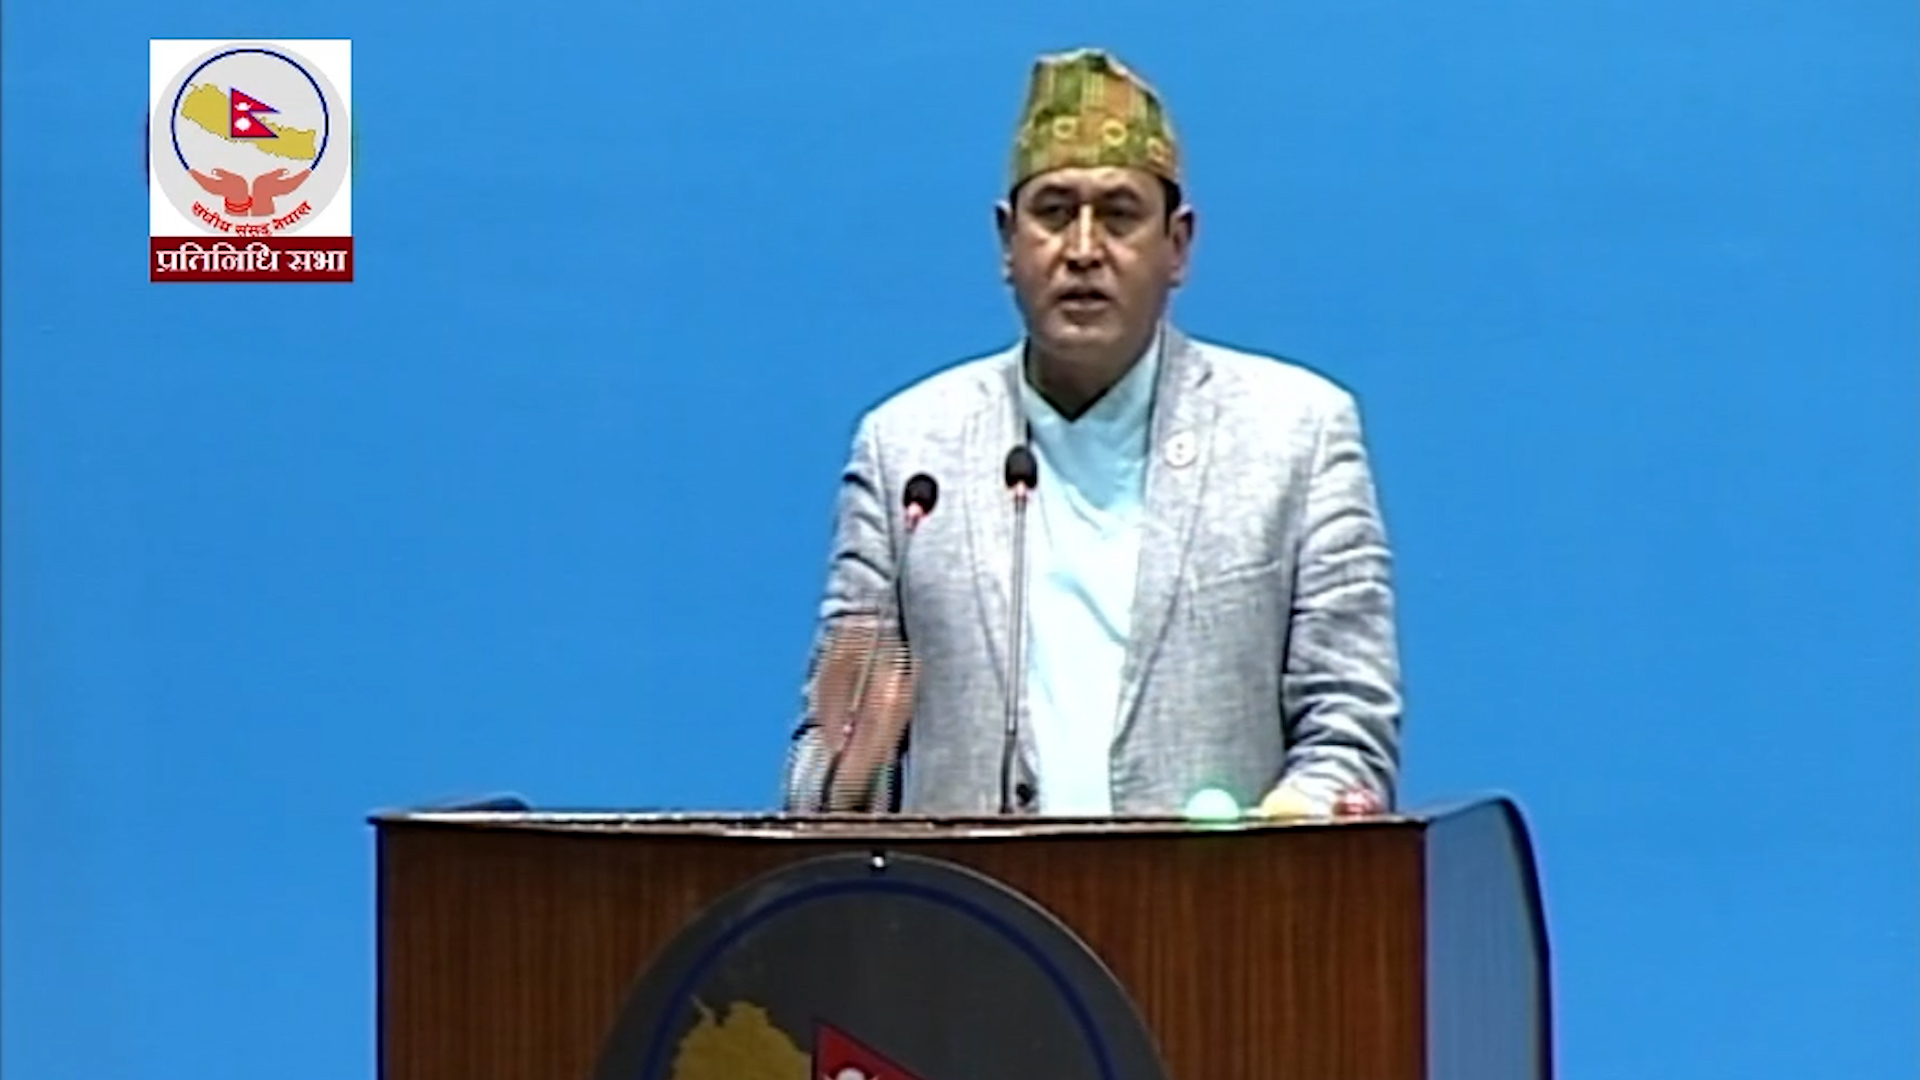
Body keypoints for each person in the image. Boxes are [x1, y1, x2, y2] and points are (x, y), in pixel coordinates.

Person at [782, 47, 1402, 818]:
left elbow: (1349, 728)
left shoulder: (1296, 436)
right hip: (971, 896)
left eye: (1118, 215)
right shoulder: (906, 453)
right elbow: (820, 771)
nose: (1082, 250)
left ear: (1178, 245)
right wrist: (848, 773)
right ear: (1007, 242)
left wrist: (1294, 820)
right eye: (1053, 213)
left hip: (1215, 891)